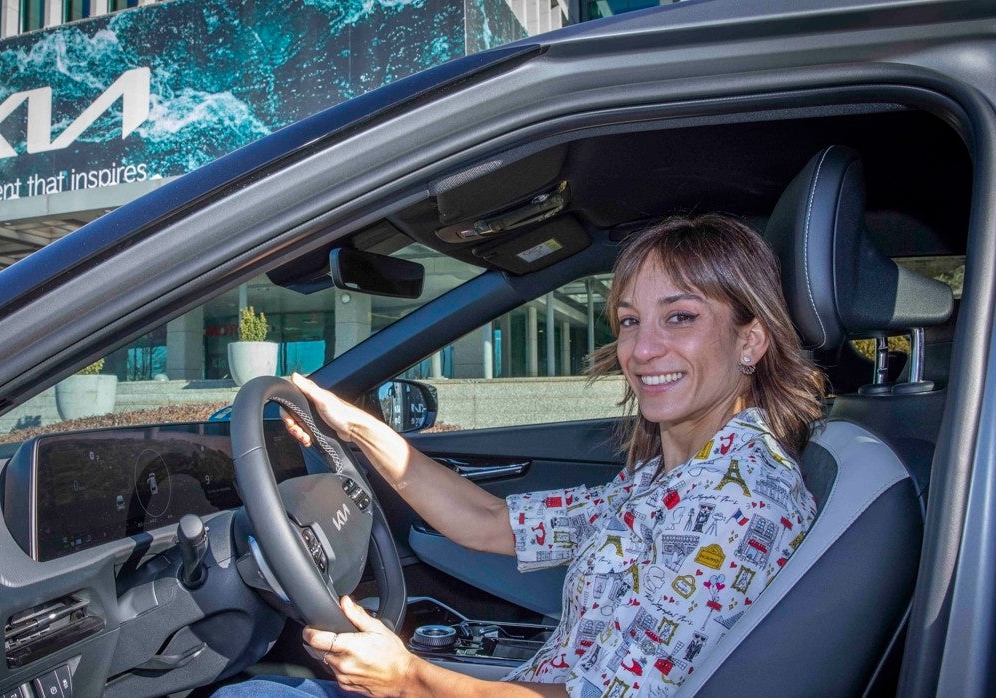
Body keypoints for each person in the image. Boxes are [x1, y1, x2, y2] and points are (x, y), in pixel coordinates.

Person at [215, 213, 826, 697]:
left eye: (681, 317)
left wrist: (409, 681)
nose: (642, 351)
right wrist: (358, 430)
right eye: (631, 320)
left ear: (751, 338)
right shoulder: (668, 479)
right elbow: (489, 523)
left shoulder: (737, 502)